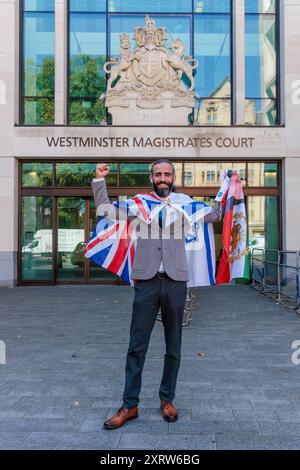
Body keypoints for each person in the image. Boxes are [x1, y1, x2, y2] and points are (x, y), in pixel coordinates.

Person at [92, 159, 223, 430]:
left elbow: (215, 215)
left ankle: (167, 400)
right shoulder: (139, 204)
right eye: (158, 174)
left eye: (167, 174)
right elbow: (106, 211)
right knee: (136, 347)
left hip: (176, 281)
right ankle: (130, 405)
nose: (162, 178)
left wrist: (227, 190)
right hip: (146, 281)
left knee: (173, 346)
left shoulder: (186, 203)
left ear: (173, 177)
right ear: (151, 178)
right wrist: (99, 181)